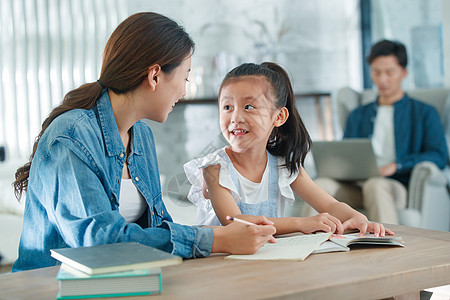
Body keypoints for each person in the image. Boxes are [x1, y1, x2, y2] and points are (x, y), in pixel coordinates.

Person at [11, 12, 277, 272]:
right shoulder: (71, 135)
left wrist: (222, 232)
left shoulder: (141, 136)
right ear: (154, 76)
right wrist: (217, 239)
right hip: (49, 287)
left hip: (124, 283)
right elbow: (99, 244)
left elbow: (158, 229)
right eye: (185, 78)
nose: (184, 91)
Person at [184, 62, 392, 237]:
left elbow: (330, 205)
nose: (236, 118)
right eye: (227, 107)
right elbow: (233, 220)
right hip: (219, 264)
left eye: (249, 107)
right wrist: (301, 223)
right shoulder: (214, 169)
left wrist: (358, 219)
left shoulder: (283, 165)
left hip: (266, 258)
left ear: (279, 117)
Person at [303, 39, 448, 224]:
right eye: (376, 72)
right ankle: (306, 243)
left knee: (375, 185)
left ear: (404, 72)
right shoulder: (358, 115)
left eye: (389, 72)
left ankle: (387, 246)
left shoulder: (424, 113)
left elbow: (439, 155)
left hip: (394, 186)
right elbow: (346, 152)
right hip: (356, 186)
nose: (382, 79)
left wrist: (397, 165)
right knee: (322, 184)